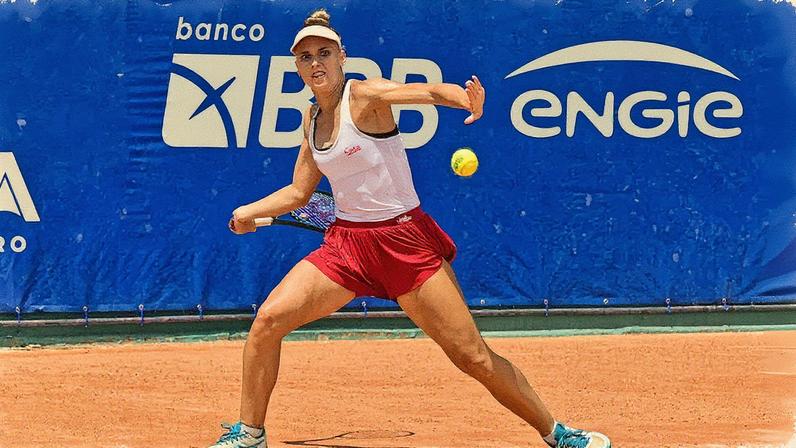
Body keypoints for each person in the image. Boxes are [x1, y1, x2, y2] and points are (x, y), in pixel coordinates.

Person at [213, 8, 611, 448]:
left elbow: (424, 92)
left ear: (342, 56)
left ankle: (557, 433)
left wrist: (462, 98)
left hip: (405, 242)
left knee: (472, 357)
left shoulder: (364, 96)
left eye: (324, 53)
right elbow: (299, 192)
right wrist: (247, 211)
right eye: (305, 57)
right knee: (268, 321)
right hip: (346, 246)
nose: (315, 63)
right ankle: (250, 433)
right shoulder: (310, 119)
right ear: (297, 67)